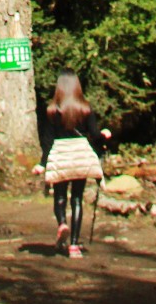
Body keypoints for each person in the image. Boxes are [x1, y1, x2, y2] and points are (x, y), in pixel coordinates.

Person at [41, 70, 110, 258]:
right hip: (80, 155)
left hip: (61, 155)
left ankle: (62, 223)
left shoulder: (52, 110)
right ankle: (73, 246)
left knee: (60, 195)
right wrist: (104, 135)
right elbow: (94, 135)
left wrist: (43, 163)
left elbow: (47, 139)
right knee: (77, 198)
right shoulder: (85, 109)